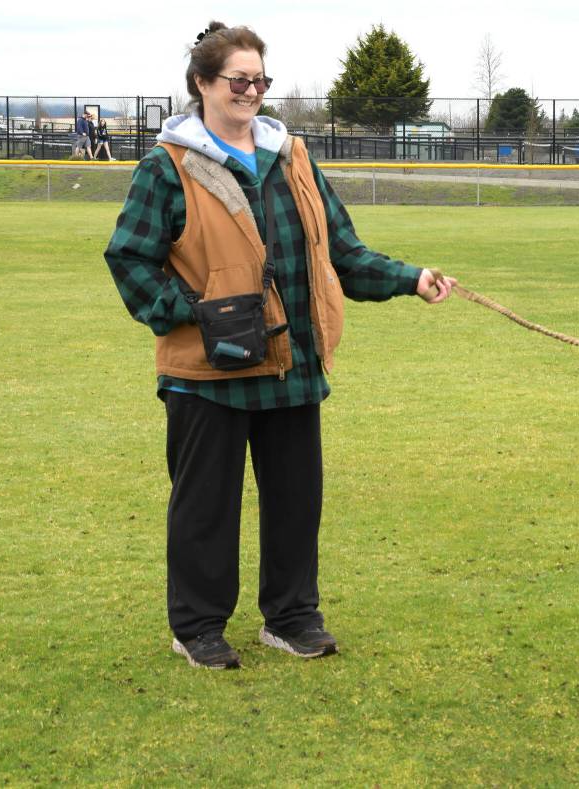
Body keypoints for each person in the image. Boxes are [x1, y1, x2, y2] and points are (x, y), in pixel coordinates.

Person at [104, 21, 457, 670]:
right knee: (205, 508)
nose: (251, 91)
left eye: (260, 80)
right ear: (202, 84)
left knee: (296, 502)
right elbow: (129, 258)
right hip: (207, 371)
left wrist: (411, 278)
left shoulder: (291, 156)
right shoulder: (168, 165)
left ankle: (292, 617)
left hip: (291, 364)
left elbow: (342, 252)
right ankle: (199, 626)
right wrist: (191, 314)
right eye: (237, 79)